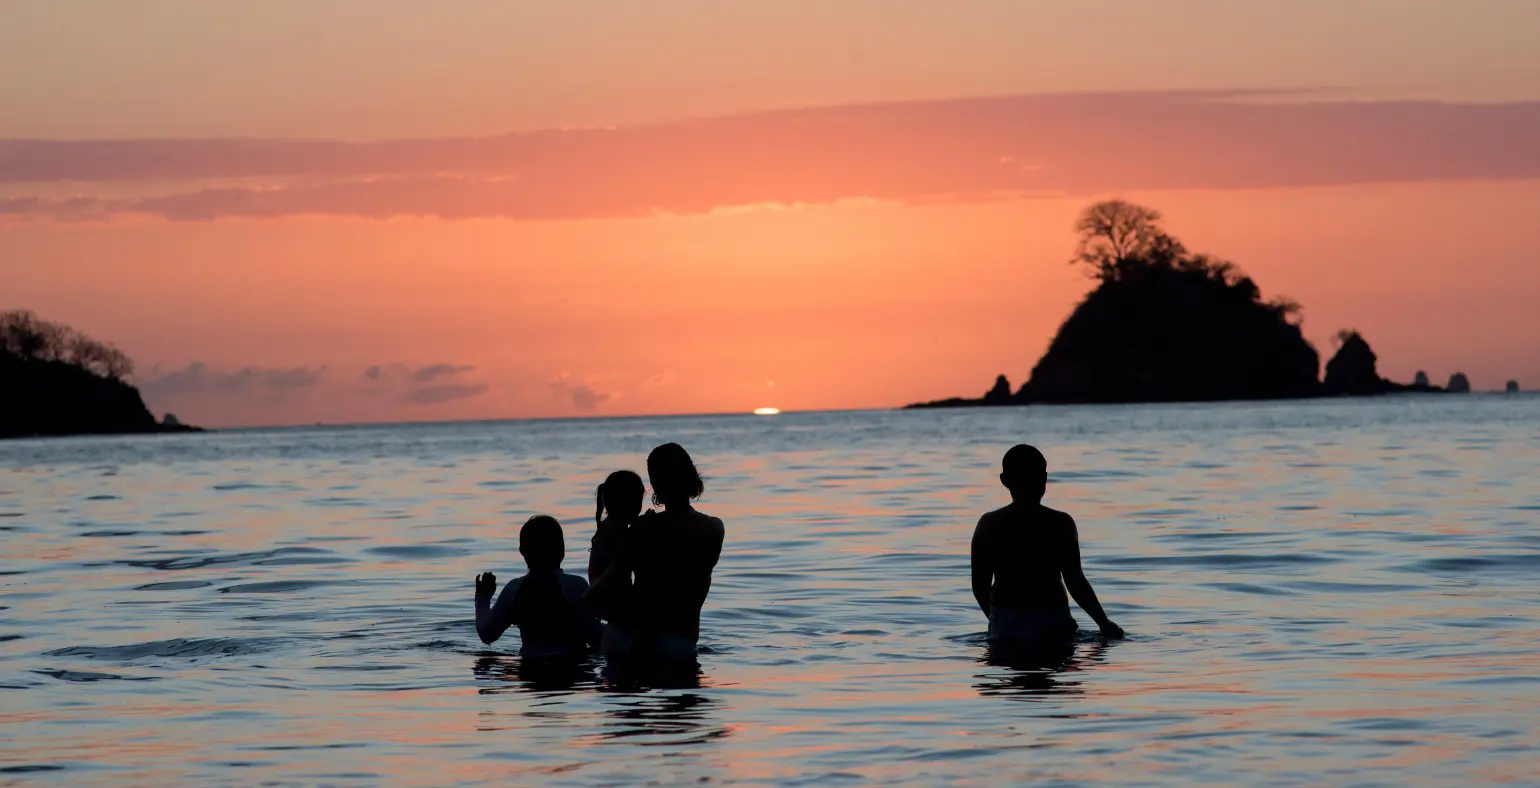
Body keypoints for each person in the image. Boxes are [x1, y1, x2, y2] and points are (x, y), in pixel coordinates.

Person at [971, 444, 1124, 642]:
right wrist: (1104, 623)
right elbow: (1075, 581)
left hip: (1007, 625)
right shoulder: (1060, 523)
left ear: (1005, 481)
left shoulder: (989, 524)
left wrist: (997, 619)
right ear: (1044, 479)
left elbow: (979, 587)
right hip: (1053, 622)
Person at [590, 443, 723, 661]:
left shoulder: (644, 528)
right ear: (691, 475)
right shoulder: (715, 528)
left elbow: (612, 577)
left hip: (632, 640)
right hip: (682, 643)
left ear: (655, 484)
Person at [475, 515, 601, 657]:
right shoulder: (576, 586)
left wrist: (482, 598)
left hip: (529, 668)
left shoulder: (514, 590)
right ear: (562, 549)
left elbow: (487, 635)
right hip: (572, 669)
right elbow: (596, 637)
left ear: (522, 551)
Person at [587, 470, 646, 654]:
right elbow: (625, 560)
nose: (640, 508)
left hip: (609, 609)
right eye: (638, 502)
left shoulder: (606, 527)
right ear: (625, 503)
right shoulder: (619, 532)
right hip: (618, 608)